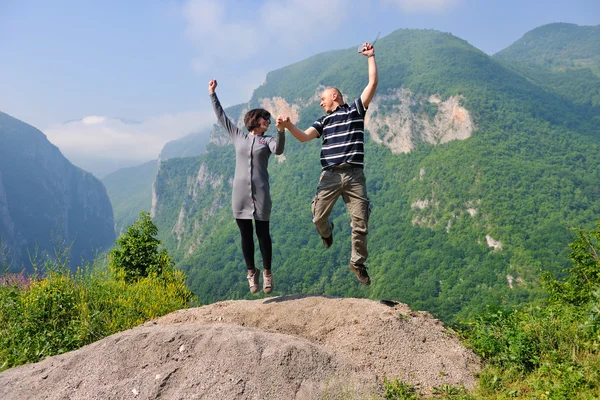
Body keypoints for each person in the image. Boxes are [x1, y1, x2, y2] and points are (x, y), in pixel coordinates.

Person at [276, 41, 378, 285]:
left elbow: (372, 83)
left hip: (354, 176)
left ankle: (357, 263)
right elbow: (304, 138)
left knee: (360, 223)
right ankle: (327, 232)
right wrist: (289, 126)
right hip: (330, 175)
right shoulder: (323, 121)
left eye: (323, 98)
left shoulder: (355, 110)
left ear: (335, 96)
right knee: (318, 218)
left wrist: (370, 57)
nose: (321, 102)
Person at [208, 79, 285, 294]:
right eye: (265, 119)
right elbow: (222, 117)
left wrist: (281, 131)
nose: (267, 122)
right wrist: (212, 94)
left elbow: (278, 150)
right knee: (245, 235)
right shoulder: (238, 136)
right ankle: (252, 273)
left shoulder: (267, 140)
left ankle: (268, 273)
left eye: (269, 120)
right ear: (254, 120)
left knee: (263, 234)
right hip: (240, 194)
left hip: (261, 193)